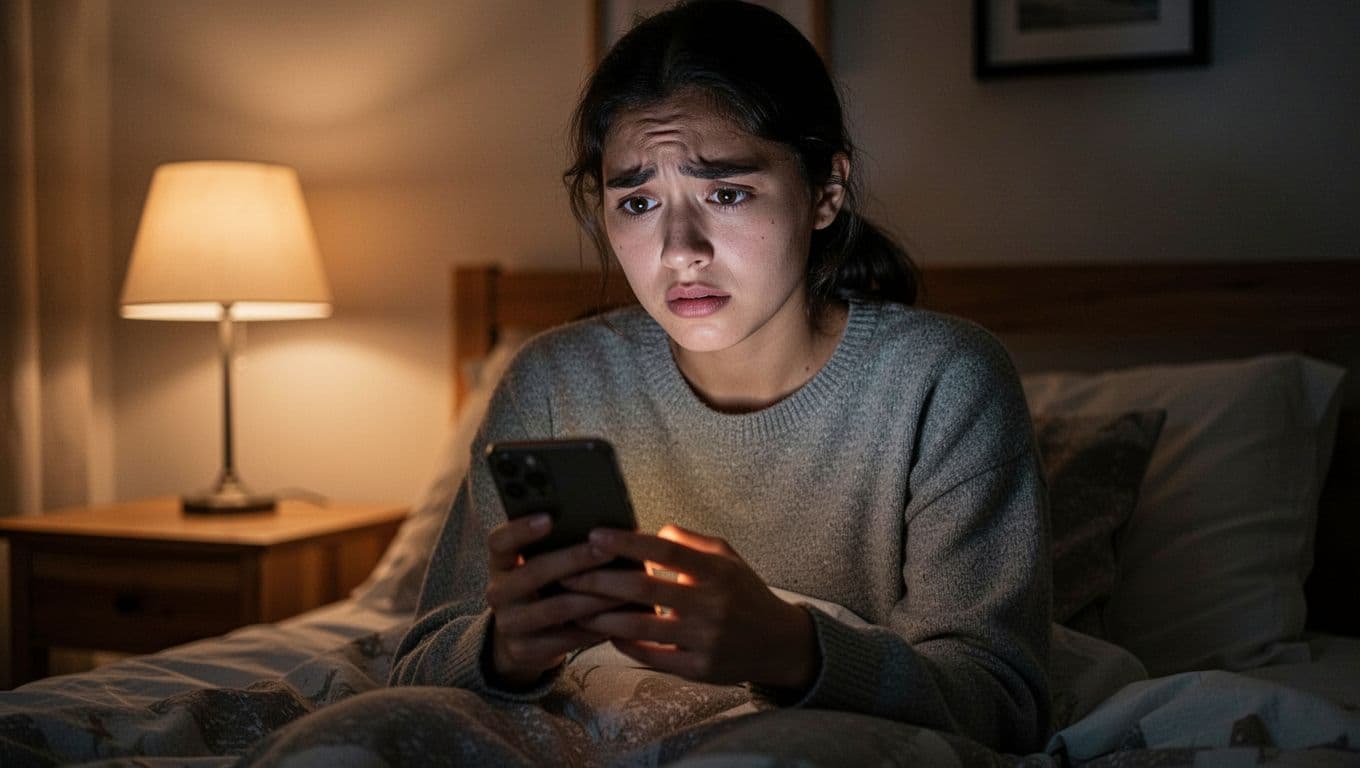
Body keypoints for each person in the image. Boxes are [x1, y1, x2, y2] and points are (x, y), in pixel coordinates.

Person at [252, 1, 1050, 763]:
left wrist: (788, 647)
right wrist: (505, 648)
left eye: (726, 193)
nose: (679, 249)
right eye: (637, 201)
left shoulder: (941, 379)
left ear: (826, 192)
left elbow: (1001, 699)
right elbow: (425, 655)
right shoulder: (555, 379)